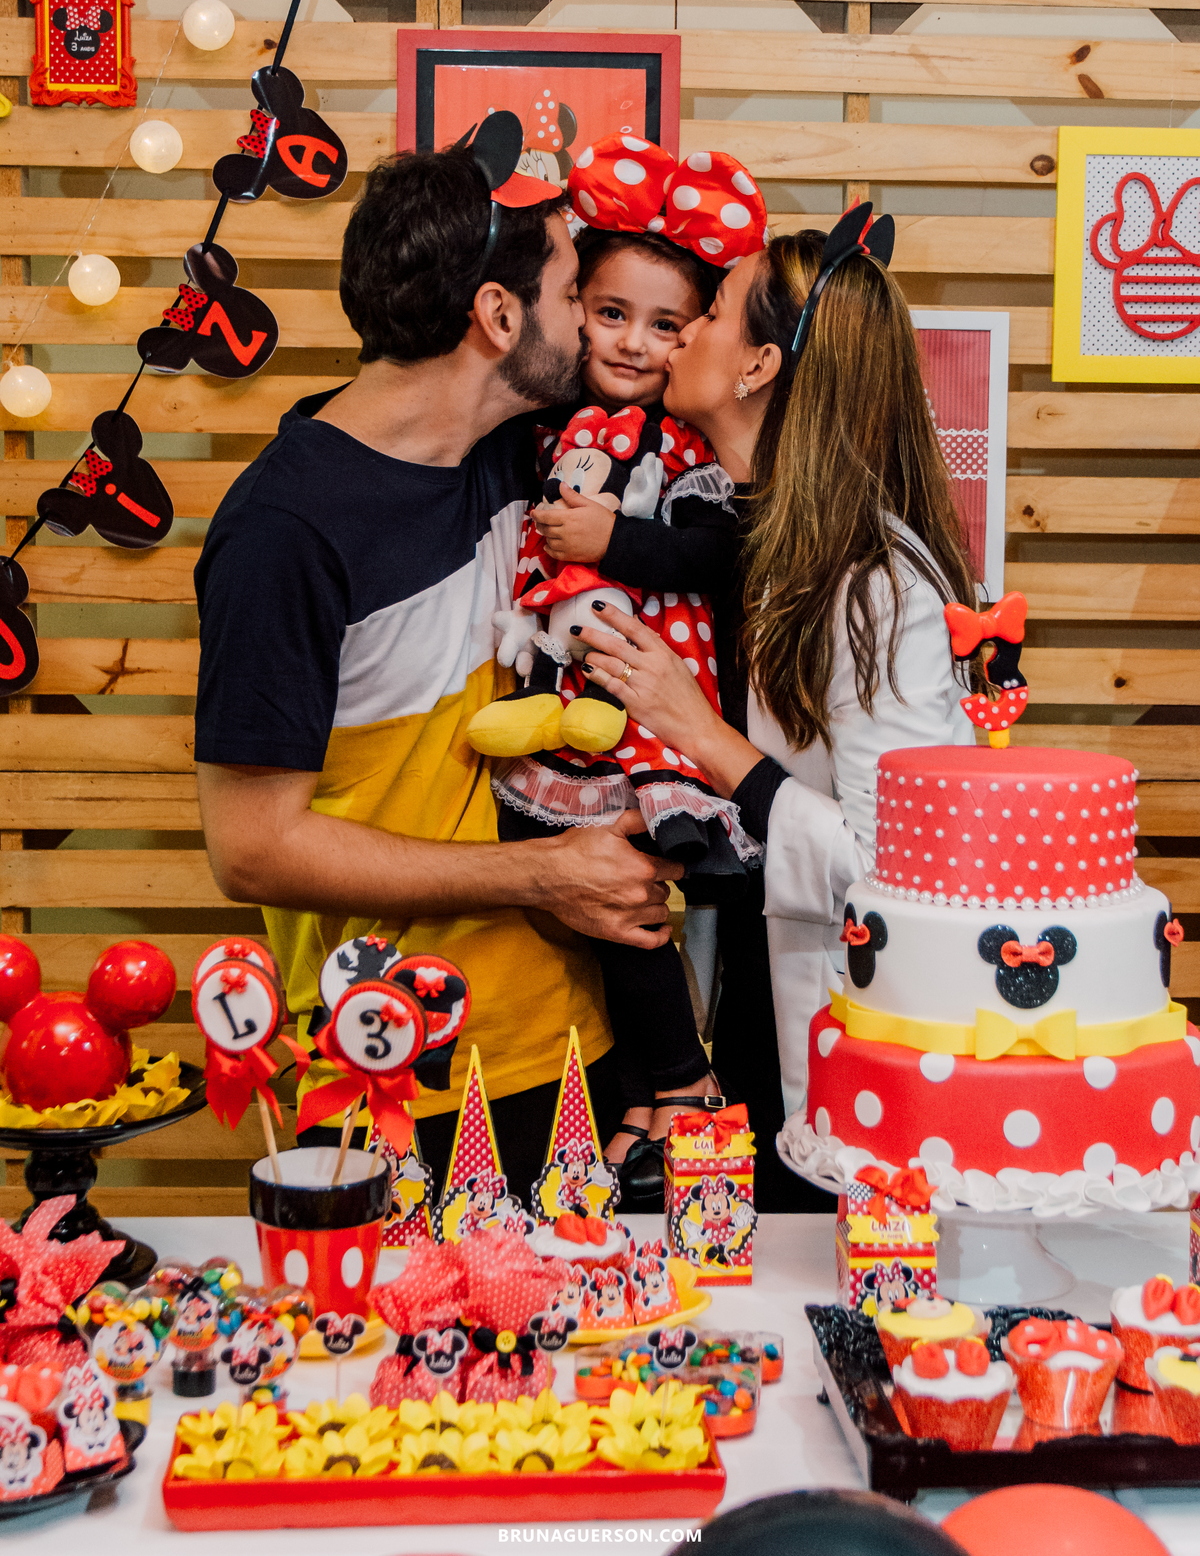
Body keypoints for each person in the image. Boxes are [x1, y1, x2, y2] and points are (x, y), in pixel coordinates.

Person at [193, 121, 683, 1205]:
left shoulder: (519, 449)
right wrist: (545, 876)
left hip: (577, 1044)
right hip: (390, 1070)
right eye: (574, 294)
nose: (592, 322)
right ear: (498, 316)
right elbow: (254, 850)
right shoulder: (285, 532)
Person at [576, 206, 977, 1208]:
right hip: (751, 996)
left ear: (758, 366)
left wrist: (699, 734)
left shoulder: (875, 584)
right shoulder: (746, 537)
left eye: (708, 313)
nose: (680, 335)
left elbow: (898, 869)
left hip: (850, 1032)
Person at [466, 135, 771, 1206]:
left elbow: (722, 556)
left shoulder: (680, 442)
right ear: (572, 311)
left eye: (666, 325)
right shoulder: (540, 424)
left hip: (648, 701)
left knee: (624, 892)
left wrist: (616, 544)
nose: (634, 342)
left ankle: (685, 1081)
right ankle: (643, 1096)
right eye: (609, 312)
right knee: (580, 892)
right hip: (567, 696)